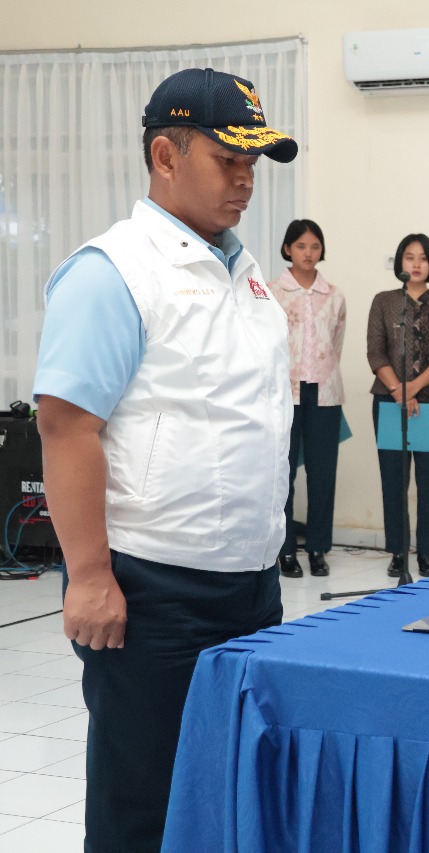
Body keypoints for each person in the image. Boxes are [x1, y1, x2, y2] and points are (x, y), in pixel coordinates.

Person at [32, 68, 297, 853]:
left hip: (249, 588)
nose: (246, 180)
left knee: (229, 791)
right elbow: (65, 426)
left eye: (254, 164)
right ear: (165, 155)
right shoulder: (113, 271)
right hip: (153, 594)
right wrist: (87, 575)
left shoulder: (244, 274)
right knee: (144, 801)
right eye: (229, 160)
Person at [367, 233, 429, 578]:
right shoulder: (385, 301)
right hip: (388, 401)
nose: (416, 264)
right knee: (393, 480)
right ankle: (397, 552)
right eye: (409, 257)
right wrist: (397, 391)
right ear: (399, 263)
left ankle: (426, 554)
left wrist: (414, 389)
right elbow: (375, 352)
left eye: (422, 257)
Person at [269, 219, 346, 578]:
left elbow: (336, 344)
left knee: (322, 474)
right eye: (301, 246)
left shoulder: (335, 295)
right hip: (285, 392)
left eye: (314, 246)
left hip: (325, 392)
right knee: (283, 473)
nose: (308, 253)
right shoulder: (272, 292)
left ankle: (317, 548)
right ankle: (285, 551)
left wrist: (322, 374)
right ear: (288, 249)